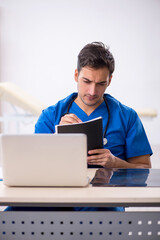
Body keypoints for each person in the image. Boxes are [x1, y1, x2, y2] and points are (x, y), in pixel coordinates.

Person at [35, 42, 152, 170]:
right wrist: (57, 140)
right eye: (87, 81)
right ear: (76, 75)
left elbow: (145, 169)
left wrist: (115, 163)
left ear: (109, 81)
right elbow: (36, 166)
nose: (92, 91)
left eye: (101, 83)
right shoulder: (49, 116)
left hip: (113, 189)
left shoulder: (128, 117)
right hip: (65, 188)